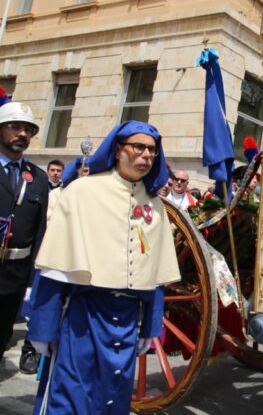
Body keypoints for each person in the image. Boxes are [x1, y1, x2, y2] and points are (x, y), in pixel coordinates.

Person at [27, 120, 181, 414]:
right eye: (139, 147)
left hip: (127, 322)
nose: (147, 155)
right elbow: (54, 268)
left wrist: (150, 325)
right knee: (72, 395)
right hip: (84, 317)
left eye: (152, 150)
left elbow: (156, 275)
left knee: (113, 397)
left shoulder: (156, 206)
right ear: (118, 150)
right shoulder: (82, 192)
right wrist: (43, 326)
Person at [0, 102, 49, 373]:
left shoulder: (37, 179)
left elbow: (40, 232)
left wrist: (32, 282)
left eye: (28, 130)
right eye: (15, 127)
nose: (22, 134)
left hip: (14, 277)